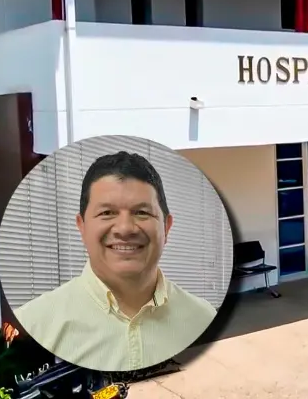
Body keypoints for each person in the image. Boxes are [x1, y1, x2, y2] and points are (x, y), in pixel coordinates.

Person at [15, 151, 217, 372]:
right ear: (81, 227)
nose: (125, 229)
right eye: (107, 213)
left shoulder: (203, 320)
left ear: (166, 227)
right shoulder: (32, 325)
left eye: (141, 212)